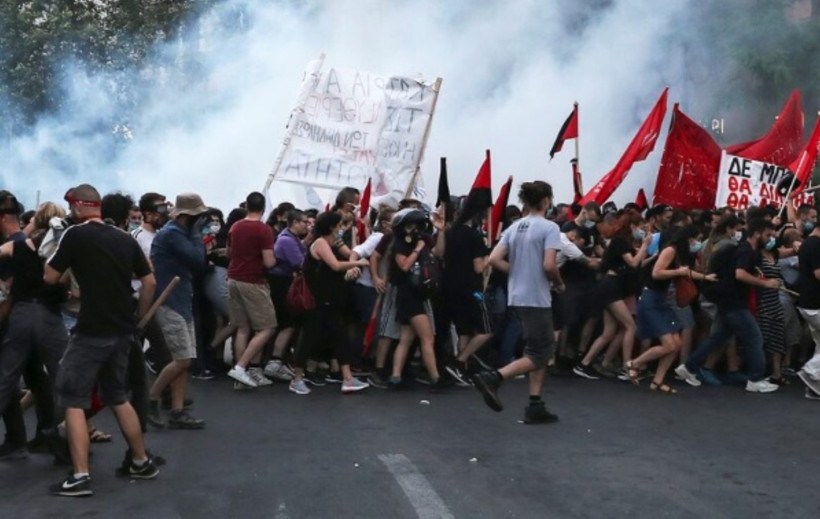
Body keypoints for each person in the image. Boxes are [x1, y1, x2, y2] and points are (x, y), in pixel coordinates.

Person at [44, 184, 159, 497]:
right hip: (123, 329)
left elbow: (49, 277)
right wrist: (140, 317)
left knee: (72, 397)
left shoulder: (75, 234)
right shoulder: (124, 238)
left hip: (91, 330)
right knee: (118, 395)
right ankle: (140, 460)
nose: (70, 213)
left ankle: (80, 476)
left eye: (72, 207)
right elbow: (149, 281)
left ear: (81, 206)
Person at [472, 181, 565, 424]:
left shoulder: (514, 227)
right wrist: (559, 283)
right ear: (546, 201)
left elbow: (493, 259)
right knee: (542, 353)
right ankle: (495, 377)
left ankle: (535, 404)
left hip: (517, 295)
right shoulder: (550, 227)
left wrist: (517, 270)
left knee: (535, 348)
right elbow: (549, 265)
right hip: (536, 297)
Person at [675, 218, 780, 393]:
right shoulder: (746, 252)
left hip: (728, 301)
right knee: (754, 337)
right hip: (735, 302)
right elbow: (740, 274)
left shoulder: (742, 250)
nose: (771, 239)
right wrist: (766, 283)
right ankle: (755, 378)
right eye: (768, 235)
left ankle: (689, 367)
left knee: (719, 337)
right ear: (756, 234)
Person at [146, 193, 209, 429]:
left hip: (180, 298)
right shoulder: (173, 234)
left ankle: (177, 409)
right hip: (169, 301)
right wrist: (196, 234)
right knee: (182, 358)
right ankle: (151, 398)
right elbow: (197, 259)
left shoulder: (178, 232)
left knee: (185, 359)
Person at [291, 211, 371, 393]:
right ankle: (297, 379)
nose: (341, 228)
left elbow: (351, 254)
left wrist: (354, 248)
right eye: (339, 225)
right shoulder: (320, 243)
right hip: (317, 300)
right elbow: (335, 265)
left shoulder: (333, 242)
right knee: (309, 339)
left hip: (330, 300)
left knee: (340, 337)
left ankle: (348, 379)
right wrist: (358, 265)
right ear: (331, 227)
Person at [629, 225, 716, 393]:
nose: (697, 243)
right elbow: (657, 273)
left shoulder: (680, 254)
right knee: (669, 344)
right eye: (695, 239)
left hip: (661, 300)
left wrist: (705, 277)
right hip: (651, 299)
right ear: (687, 238)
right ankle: (634, 363)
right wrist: (677, 271)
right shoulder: (670, 250)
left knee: (676, 343)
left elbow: (686, 272)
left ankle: (658, 380)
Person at [226, 192, 277, 388]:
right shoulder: (264, 230)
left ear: (246, 206)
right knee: (267, 327)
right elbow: (268, 261)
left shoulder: (235, 226)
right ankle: (240, 368)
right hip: (253, 281)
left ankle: (241, 374)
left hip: (233, 278)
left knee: (242, 327)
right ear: (263, 208)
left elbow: (229, 253)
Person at [795, 217, 820, 399]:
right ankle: (810, 370)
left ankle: (814, 386)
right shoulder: (815, 245)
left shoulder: (807, 244)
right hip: (815, 303)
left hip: (809, 302)